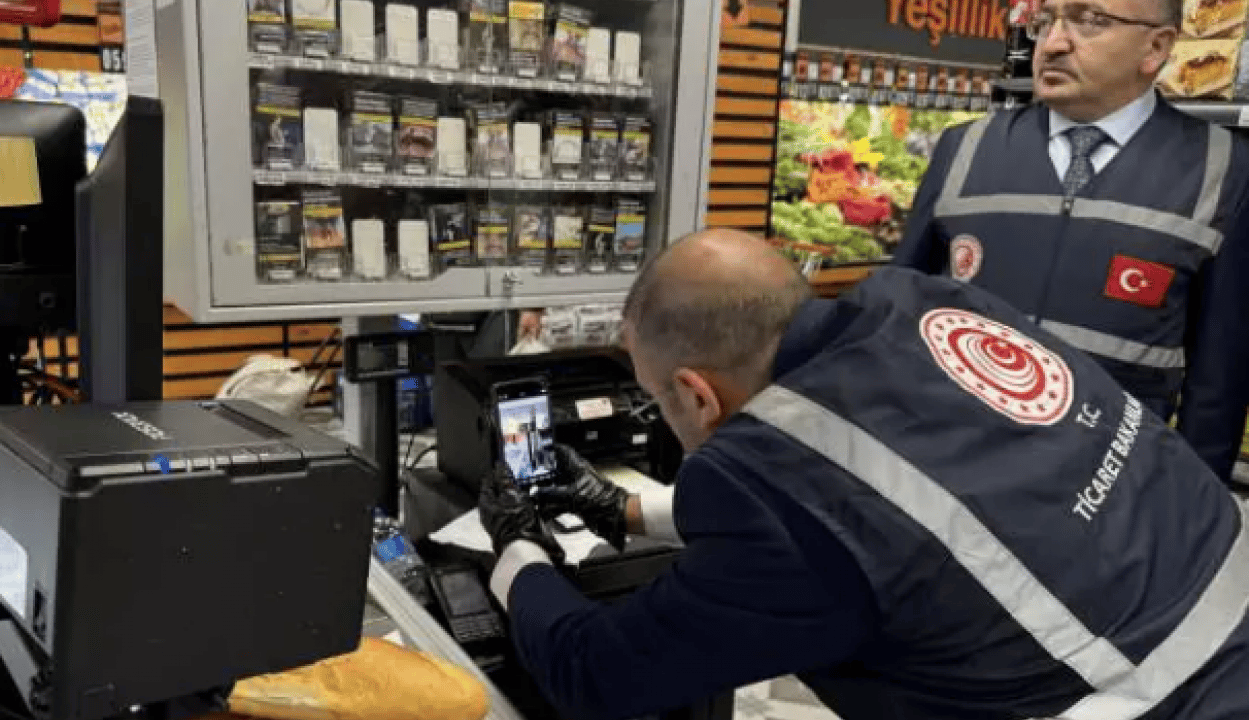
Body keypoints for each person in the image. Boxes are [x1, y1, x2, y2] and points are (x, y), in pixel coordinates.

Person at [478, 229, 1249, 720]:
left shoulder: (763, 486)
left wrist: (516, 552)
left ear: (694, 393)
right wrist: (628, 509)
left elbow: (599, 672)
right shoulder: (922, 307)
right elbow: (911, 512)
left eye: (655, 400)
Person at [893, 0, 1249, 483]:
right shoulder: (963, 149)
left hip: (1106, 495)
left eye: (1089, 21)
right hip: (950, 474)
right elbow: (899, 320)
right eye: (1047, 21)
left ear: (1157, 47)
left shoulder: (1224, 170)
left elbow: (1219, 378)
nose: (1054, 43)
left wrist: (1189, 506)